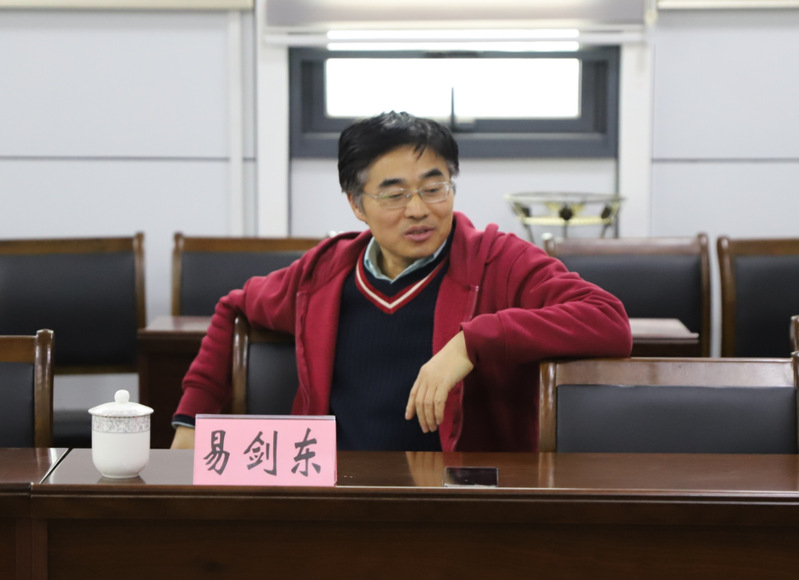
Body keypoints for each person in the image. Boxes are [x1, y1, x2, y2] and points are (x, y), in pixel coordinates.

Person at [171, 111, 632, 452]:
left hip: (463, 502)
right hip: (336, 494)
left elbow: (608, 320)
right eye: (394, 195)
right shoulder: (324, 272)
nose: (418, 210)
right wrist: (192, 420)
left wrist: (470, 343)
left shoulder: (498, 261)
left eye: (434, 189)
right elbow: (234, 307)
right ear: (357, 204)